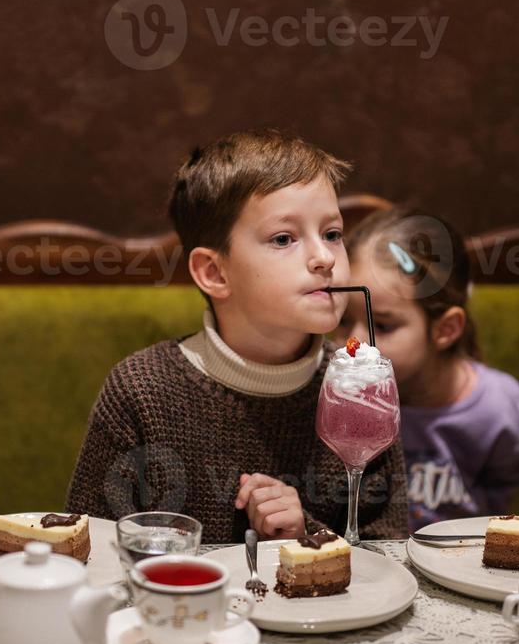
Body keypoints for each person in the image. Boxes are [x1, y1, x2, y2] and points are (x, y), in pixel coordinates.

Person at [67, 130, 408, 542]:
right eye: (284, 238)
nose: (323, 258)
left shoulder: (359, 386)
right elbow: (94, 552)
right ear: (214, 273)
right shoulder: (141, 393)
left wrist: (304, 534)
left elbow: (387, 554)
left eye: (333, 234)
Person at [344, 207, 519, 528]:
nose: (353, 342)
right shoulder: (345, 396)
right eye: (343, 321)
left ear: (446, 329)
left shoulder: (496, 409)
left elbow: (504, 493)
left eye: (382, 324)